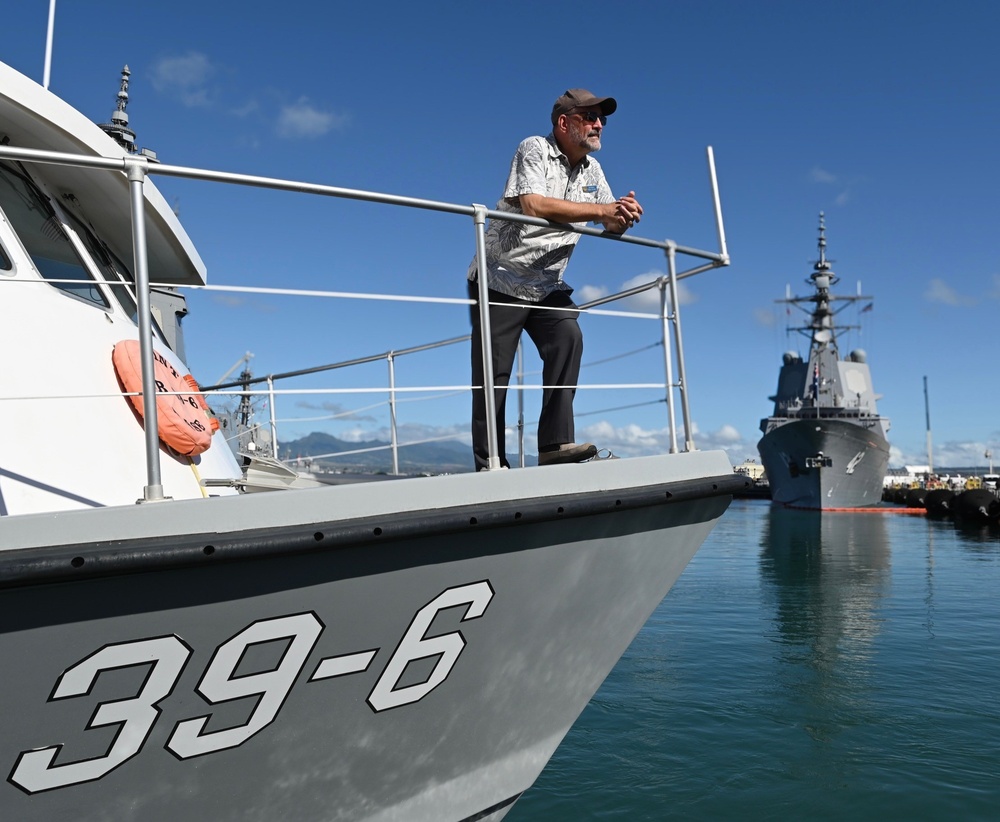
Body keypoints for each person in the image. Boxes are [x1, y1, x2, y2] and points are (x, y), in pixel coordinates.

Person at [467, 88, 643, 470]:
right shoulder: (533, 148)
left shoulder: (593, 171)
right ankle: (491, 464)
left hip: (546, 284)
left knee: (568, 337)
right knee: (494, 372)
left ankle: (553, 446)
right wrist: (602, 211)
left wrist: (623, 216)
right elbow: (534, 204)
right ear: (564, 123)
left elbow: (608, 221)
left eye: (603, 119)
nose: (599, 124)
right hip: (500, 278)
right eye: (590, 117)